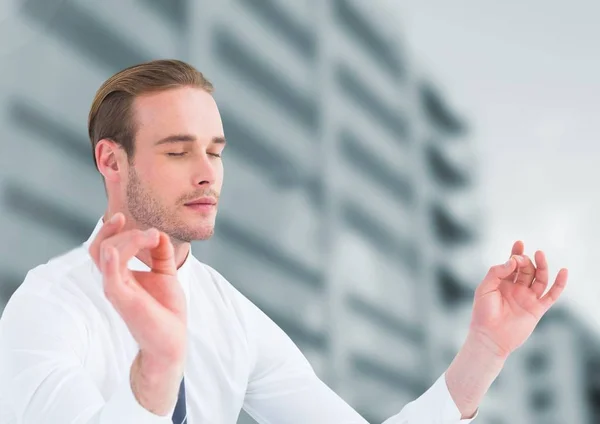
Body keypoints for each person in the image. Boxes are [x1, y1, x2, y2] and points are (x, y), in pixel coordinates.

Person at [0, 59, 568, 424]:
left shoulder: (231, 315)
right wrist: (157, 368)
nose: (208, 173)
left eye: (216, 151)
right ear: (111, 160)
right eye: (178, 150)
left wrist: (484, 353)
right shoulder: (46, 306)